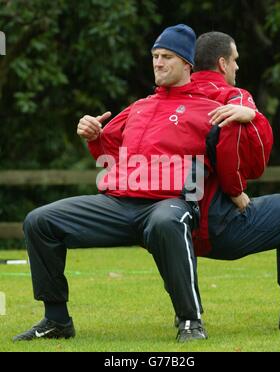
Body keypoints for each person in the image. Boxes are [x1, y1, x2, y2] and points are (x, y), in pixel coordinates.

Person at [13, 24, 228, 343]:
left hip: (169, 203)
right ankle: (56, 320)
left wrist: (235, 190)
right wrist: (93, 133)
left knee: (168, 221)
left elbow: (235, 153)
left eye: (166, 56)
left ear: (187, 64)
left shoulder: (209, 109)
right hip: (117, 203)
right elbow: (109, 150)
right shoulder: (140, 107)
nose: (158, 63)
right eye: (155, 56)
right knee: (40, 221)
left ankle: (189, 321)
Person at [190, 31, 280, 331]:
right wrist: (235, 189)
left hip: (174, 225)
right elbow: (238, 149)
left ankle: (187, 311)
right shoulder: (234, 97)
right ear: (222, 63)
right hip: (218, 228)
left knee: (180, 212)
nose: (237, 67)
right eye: (235, 61)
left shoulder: (171, 96)